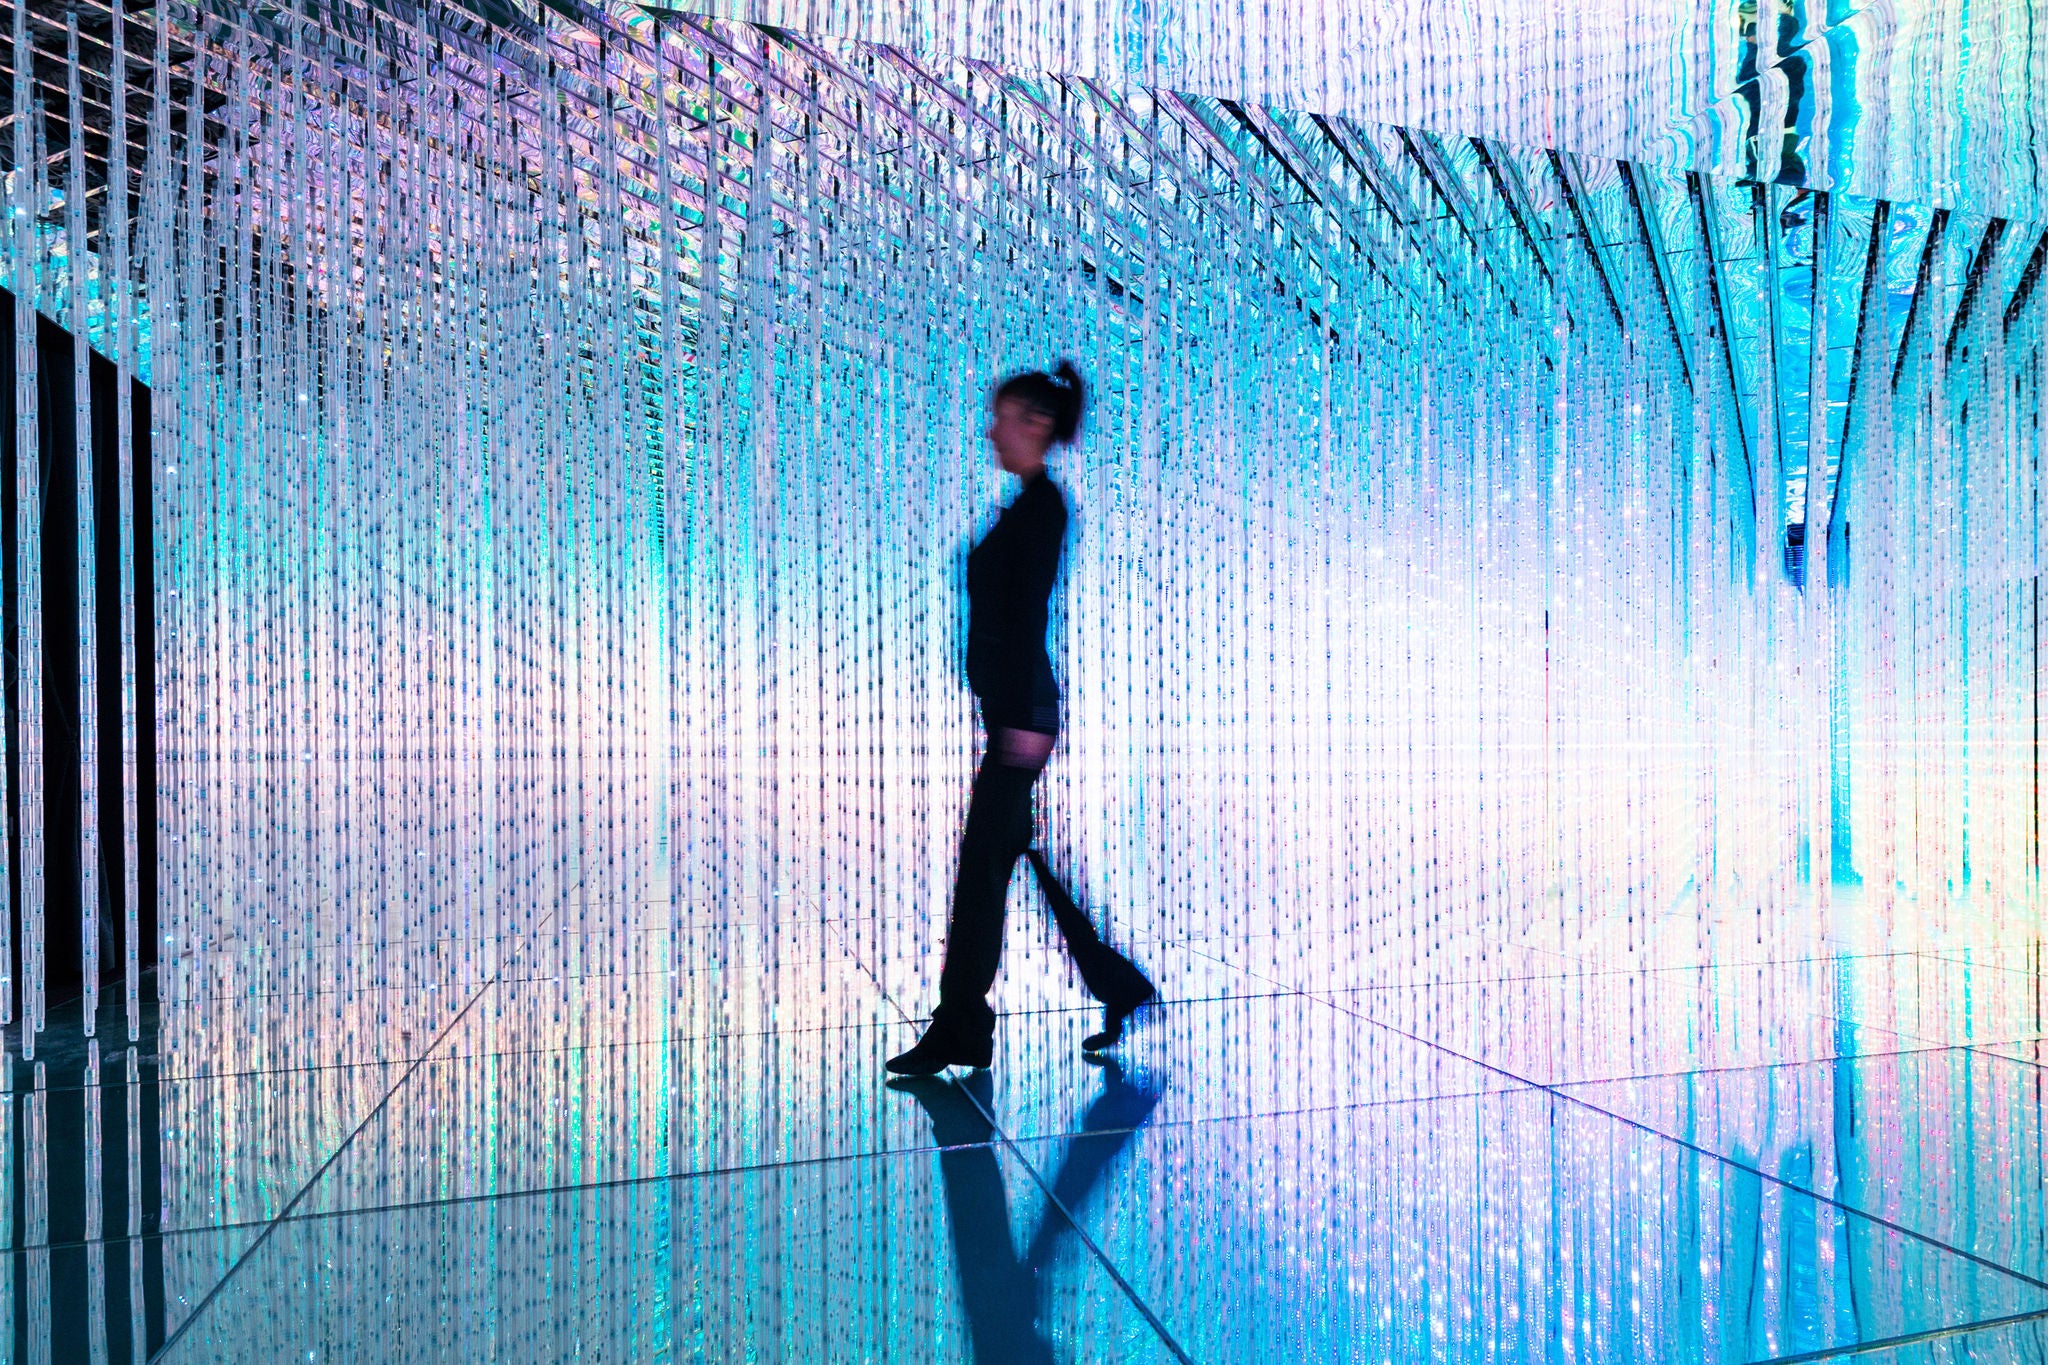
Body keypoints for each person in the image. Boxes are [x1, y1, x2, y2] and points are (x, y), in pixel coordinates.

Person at [885, 361, 1155, 1077]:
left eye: (1002, 415)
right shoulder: (1029, 505)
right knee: (1003, 862)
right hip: (1015, 711)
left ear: (1035, 424)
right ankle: (1112, 987)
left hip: (1023, 714)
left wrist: (1015, 722)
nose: (991, 428)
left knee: (985, 870)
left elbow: (1024, 616)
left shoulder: (1044, 508)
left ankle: (964, 1025)